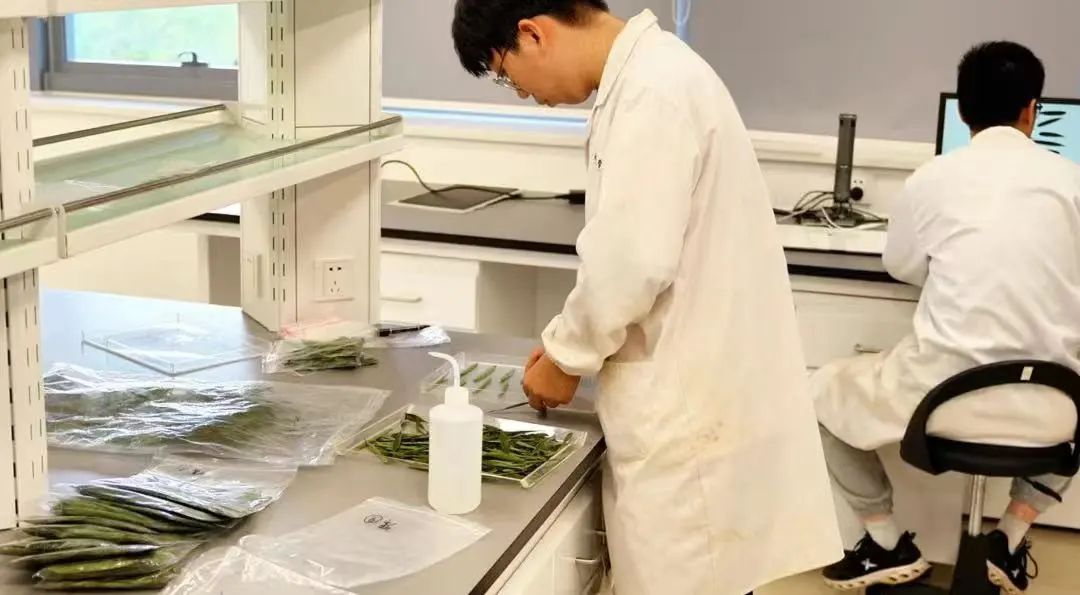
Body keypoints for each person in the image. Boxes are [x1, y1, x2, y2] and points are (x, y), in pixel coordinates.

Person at [452, 2, 843, 594]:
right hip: (699, 403)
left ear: (532, 34)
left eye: (507, 75)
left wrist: (565, 358)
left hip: (688, 427)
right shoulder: (655, 75)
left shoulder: (651, 94)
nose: (523, 94)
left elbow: (630, 264)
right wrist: (564, 344)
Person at [814, 41, 1080, 594]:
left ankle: (885, 542)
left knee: (818, 393)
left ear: (961, 111)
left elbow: (902, 266)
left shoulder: (931, 179)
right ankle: (1008, 538)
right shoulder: (1073, 182)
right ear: (1033, 108)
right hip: (1053, 411)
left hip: (942, 403)